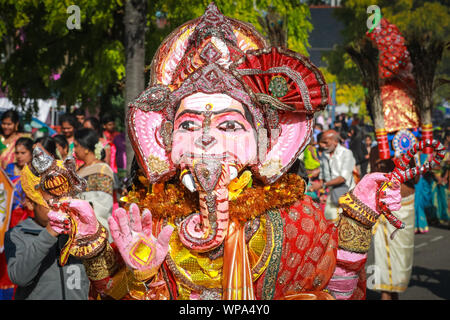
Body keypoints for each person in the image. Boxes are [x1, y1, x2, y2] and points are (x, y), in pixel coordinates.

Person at [43, 4, 404, 301]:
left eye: (229, 126)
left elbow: (335, 294)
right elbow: (110, 295)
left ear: (267, 143)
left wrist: (356, 226)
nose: (205, 138)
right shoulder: (149, 218)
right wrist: (103, 249)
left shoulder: (297, 221)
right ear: (164, 142)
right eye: (187, 125)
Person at [4, 152, 90, 299]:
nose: (60, 205)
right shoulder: (18, 234)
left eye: (63, 197)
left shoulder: (77, 229)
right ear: (31, 203)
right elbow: (19, 277)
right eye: (52, 201)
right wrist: (49, 233)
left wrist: (92, 233)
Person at [369, 146, 417, 300]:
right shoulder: (376, 150)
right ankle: (386, 293)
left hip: (407, 206)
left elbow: (415, 179)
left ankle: (391, 293)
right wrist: (381, 166)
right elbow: (372, 177)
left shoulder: (407, 145)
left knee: (403, 257)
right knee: (385, 254)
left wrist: (407, 159)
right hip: (387, 207)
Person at [0, 137, 34, 300]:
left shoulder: (34, 172)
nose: (19, 156)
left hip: (27, 217)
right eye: (17, 153)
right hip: (9, 219)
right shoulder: (9, 169)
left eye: (23, 153)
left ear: (31, 153)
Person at [73, 128, 114, 241]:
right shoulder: (80, 170)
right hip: (78, 229)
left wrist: (81, 209)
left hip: (97, 232)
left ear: (85, 148)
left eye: (76, 146)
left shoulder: (102, 169)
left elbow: (103, 205)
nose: (74, 150)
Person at [312, 130, 356, 223]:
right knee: (329, 221)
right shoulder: (325, 154)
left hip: (347, 196)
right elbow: (323, 174)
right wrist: (322, 190)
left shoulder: (346, 153)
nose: (322, 145)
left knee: (345, 224)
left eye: (325, 142)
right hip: (332, 195)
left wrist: (322, 185)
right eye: (321, 142)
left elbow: (342, 178)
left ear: (335, 142)